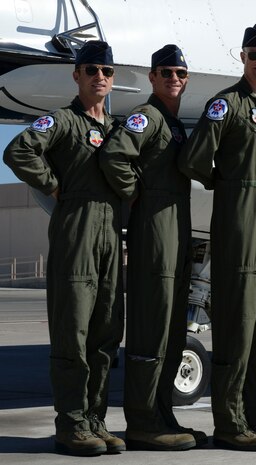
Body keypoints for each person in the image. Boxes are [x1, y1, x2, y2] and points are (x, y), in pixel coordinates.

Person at [3, 41, 125, 456]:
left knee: (106, 330)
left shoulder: (117, 127)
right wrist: (53, 185)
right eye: (90, 69)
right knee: (73, 330)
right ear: (77, 75)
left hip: (111, 232)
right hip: (77, 227)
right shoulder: (61, 121)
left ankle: (95, 419)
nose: (99, 77)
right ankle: (71, 423)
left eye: (106, 71)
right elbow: (17, 150)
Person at [178, 24, 256, 451]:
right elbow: (193, 160)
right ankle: (230, 424)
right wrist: (226, 185)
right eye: (255, 55)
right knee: (238, 328)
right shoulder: (224, 105)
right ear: (243, 57)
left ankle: (254, 421)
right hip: (240, 228)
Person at [99, 44, 205, 451]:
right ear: (152, 78)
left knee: (172, 330)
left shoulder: (174, 124)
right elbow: (115, 154)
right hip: (154, 229)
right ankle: (143, 421)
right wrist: (135, 195)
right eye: (165, 73)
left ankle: (163, 414)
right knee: (153, 327)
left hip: (176, 229)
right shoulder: (148, 117)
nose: (173, 78)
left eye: (179, 72)